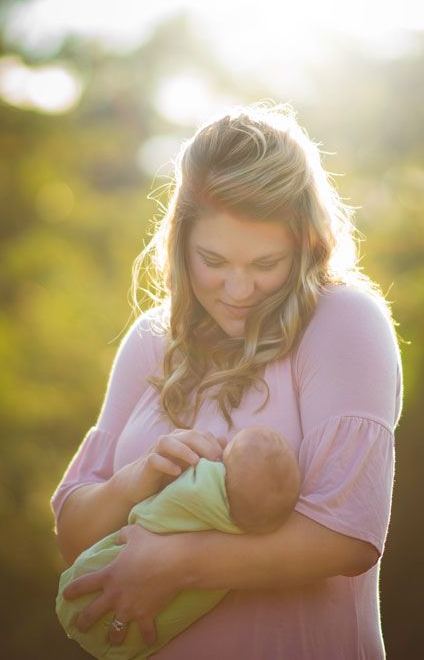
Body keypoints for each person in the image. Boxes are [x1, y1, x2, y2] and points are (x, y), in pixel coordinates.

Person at [51, 101, 403, 659]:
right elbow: (73, 535)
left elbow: (348, 536)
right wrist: (143, 474)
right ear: (180, 243)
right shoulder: (151, 337)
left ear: (306, 244)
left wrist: (176, 563)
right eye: (213, 260)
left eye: (266, 264)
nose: (238, 290)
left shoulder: (342, 321)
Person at [56, 425, 301, 659]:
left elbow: (339, 546)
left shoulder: (204, 481)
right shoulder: (252, 522)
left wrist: (174, 559)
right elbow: (69, 534)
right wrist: (122, 487)